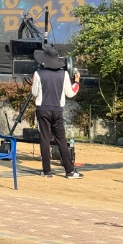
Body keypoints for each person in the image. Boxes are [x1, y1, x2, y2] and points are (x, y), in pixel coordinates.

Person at [32, 46, 82, 179]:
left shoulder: (38, 73)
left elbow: (34, 93)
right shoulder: (64, 74)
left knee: (44, 139)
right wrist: (77, 82)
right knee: (61, 140)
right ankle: (70, 171)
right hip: (57, 110)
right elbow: (70, 93)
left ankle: (46, 171)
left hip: (42, 109)